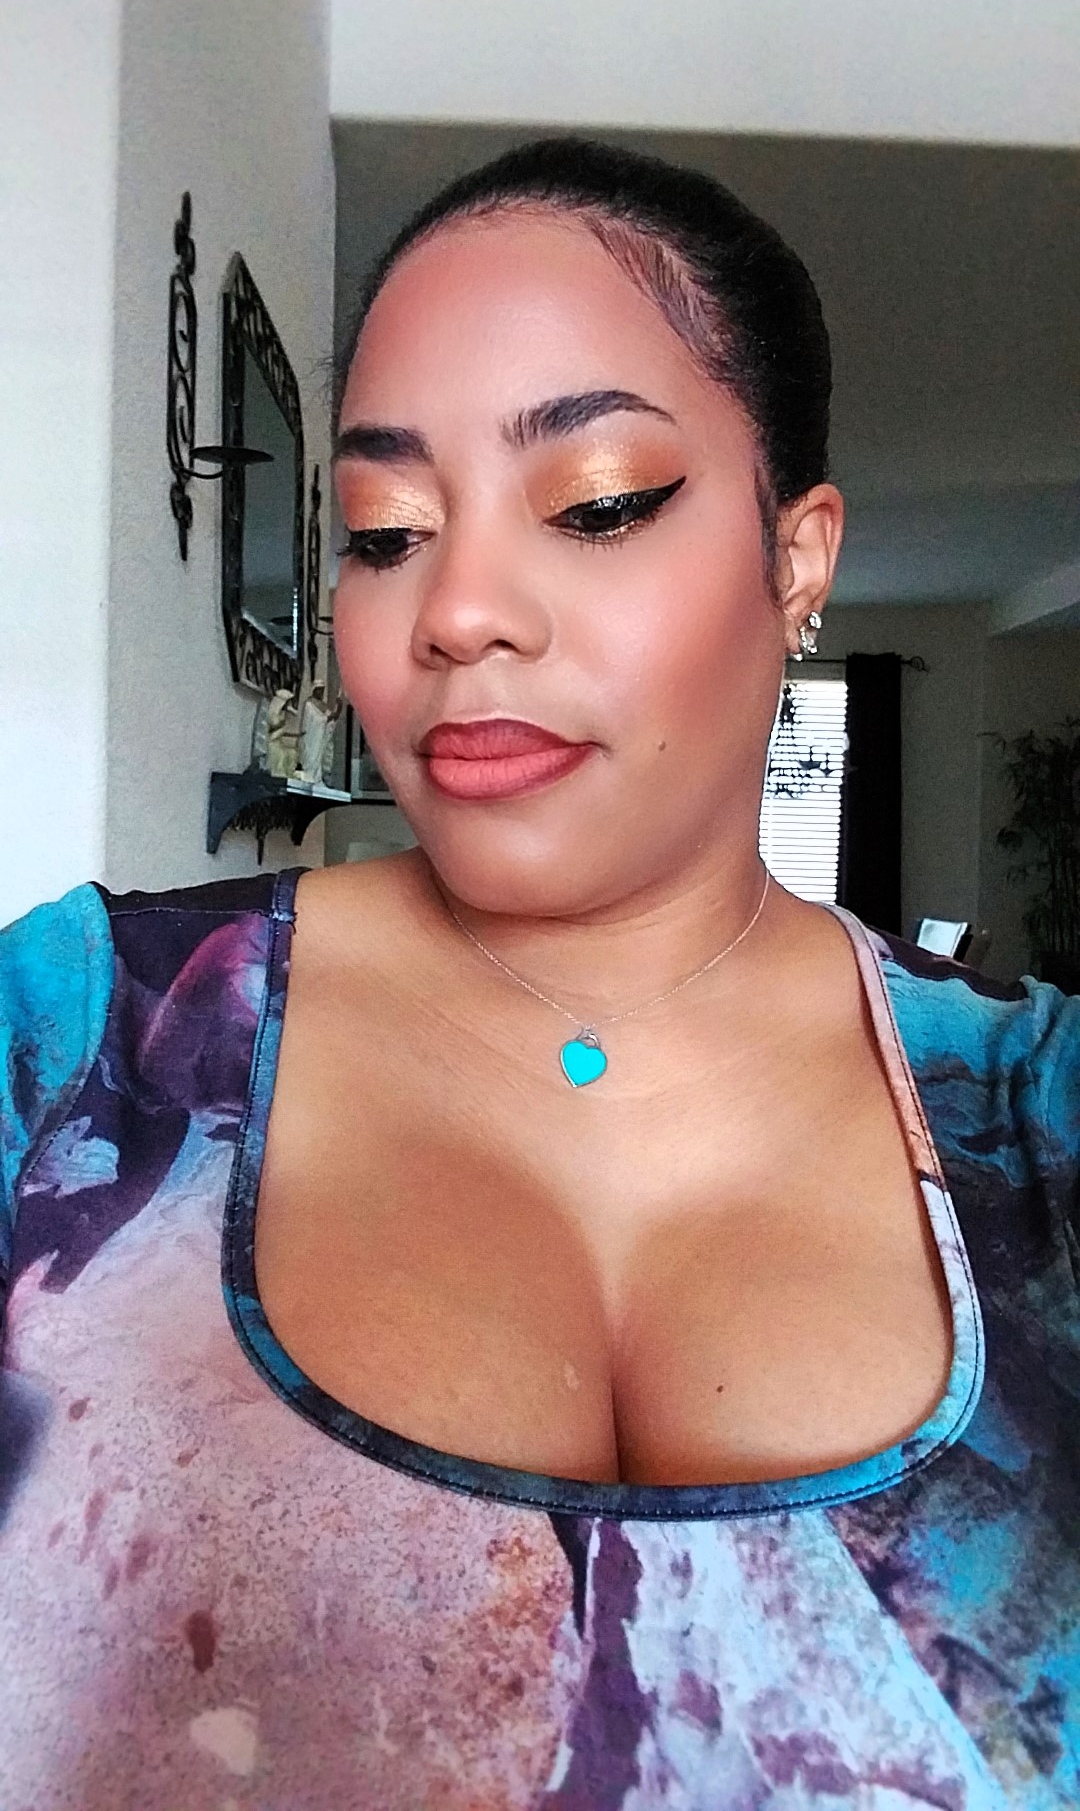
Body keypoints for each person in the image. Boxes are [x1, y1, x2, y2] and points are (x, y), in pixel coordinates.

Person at [1, 138, 1077, 1809]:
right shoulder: (77, 1058)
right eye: (385, 532)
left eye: (597, 505)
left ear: (798, 559)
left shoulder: (1047, 1121)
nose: (458, 610)